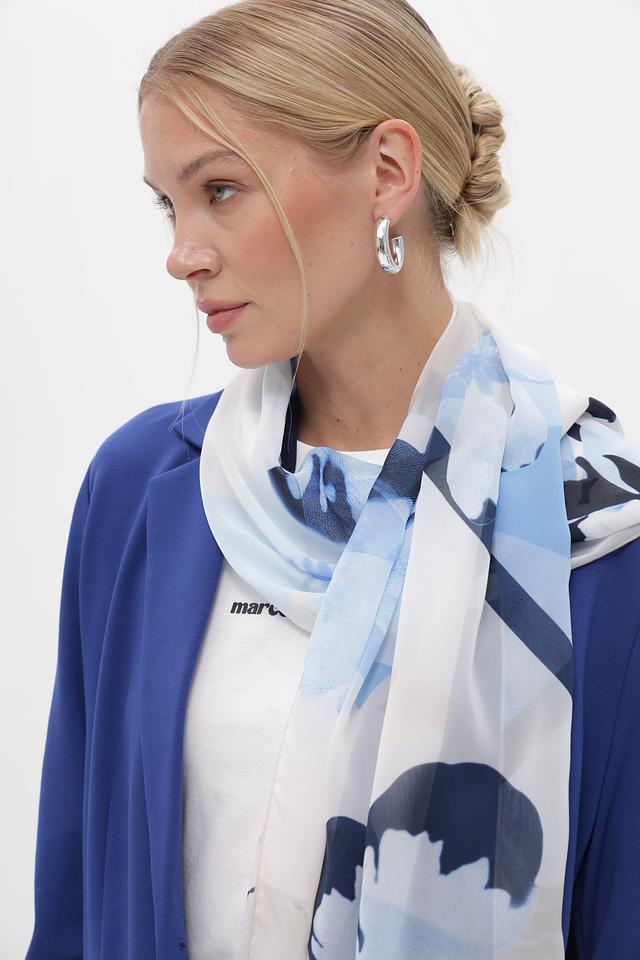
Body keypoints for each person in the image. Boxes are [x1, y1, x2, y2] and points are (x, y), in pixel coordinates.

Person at [25, 1, 640, 958]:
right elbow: (73, 907)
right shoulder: (143, 492)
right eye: (168, 204)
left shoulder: (594, 533)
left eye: (220, 190)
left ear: (387, 172)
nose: (182, 253)